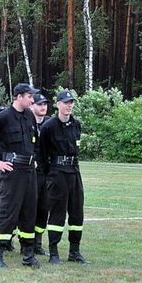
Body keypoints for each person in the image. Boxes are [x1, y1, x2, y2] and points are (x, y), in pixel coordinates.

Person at [0, 83, 40, 269]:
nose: (32, 99)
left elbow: (34, 140)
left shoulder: (29, 115)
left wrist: (34, 158)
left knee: (30, 211)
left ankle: (28, 255)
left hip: (29, 171)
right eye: (29, 96)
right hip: (12, 172)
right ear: (19, 97)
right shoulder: (4, 116)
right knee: (7, 211)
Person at [38, 90, 90, 265]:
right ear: (58, 104)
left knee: (77, 213)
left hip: (74, 172)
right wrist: (49, 175)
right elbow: (41, 153)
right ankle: (54, 252)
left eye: (71, 102)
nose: (69, 105)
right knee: (57, 215)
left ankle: (74, 252)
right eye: (66, 102)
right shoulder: (49, 126)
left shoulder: (76, 125)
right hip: (57, 173)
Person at [30, 93, 51, 256]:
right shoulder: (26, 123)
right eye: (39, 104)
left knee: (44, 208)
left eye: (45, 104)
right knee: (27, 208)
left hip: (46, 173)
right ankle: (24, 242)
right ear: (32, 106)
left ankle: (37, 242)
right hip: (28, 173)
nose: (43, 107)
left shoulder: (50, 124)